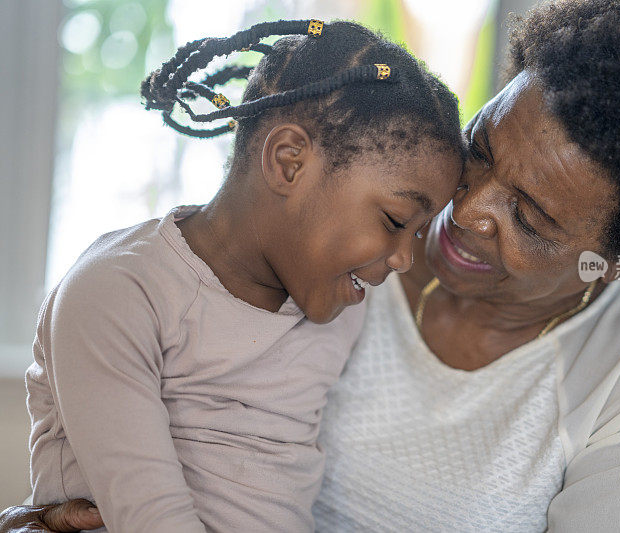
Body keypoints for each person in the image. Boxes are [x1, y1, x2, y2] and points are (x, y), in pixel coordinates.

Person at [1, 0, 620, 531]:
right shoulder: (331, 235)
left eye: (530, 219)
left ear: (613, 263)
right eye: (481, 149)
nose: (465, 213)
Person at [19, 19, 463, 533]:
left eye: (419, 233)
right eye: (394, 222)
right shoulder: (118, 293)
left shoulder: (339, 312)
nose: (406, 258)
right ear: (289, 161)